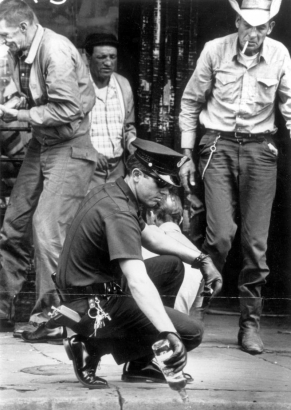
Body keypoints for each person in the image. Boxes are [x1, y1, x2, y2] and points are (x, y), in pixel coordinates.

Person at [22, 138, 223, 387]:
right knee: (191, 333)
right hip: (91, 307)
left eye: (168, 187)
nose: (164, 193)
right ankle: (91, 345)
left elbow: (151, 237)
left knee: (171, 266)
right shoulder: (119, 212)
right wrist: (167, 332)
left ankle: (140, 363)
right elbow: (137, 281)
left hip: (91, 293)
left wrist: (201, 259)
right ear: (137, 174)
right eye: (159, 184)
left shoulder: (116, 192)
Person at [179, 0, 291, 355]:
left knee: (255, 245)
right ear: (237, 22)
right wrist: (186, 155)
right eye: (247, 25)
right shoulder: (215, 51)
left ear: (270, 28)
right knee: (221, 236)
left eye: (261, 27)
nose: (253, 34)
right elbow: (190, 103)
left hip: (261, 150)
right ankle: (197, 311)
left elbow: (290, 105)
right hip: (217, 146)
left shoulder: (280, 55)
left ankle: (250, 325)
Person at [0, 0, 97, 335]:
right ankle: (2, 309)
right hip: (43, 143)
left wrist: (21, 116)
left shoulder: (55, 50)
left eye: (6, 35)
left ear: (25, 27)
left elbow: (69, 110)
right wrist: (17, 104)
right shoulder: (20, 52)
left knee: (47, 229)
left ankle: (58, 320)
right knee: (14, 224)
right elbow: (36, 96)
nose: (3, 42)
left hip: (70, 147)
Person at [84, 32, 136, 188]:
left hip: (117, 169)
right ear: (88, 58)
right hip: (87, 169)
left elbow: (128, 127)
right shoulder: (79, 86)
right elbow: (71, 131)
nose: (108, 63)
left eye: (112, 57)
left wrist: (133, 145)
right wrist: (89, 150)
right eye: (102, 57)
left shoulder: (123, 85)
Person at [143, 193, 204, 315]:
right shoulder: (199, 257)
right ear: (181, 219)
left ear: (151, 215)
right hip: (178, 326)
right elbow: (196, 312)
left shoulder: (141, 245)